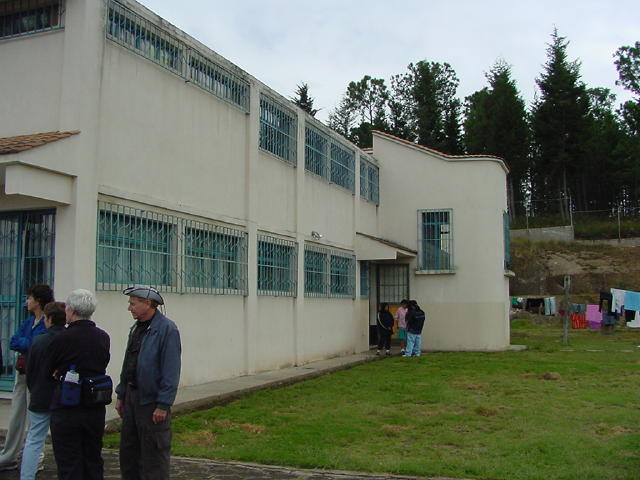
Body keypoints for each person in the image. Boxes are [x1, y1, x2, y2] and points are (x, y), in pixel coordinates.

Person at [116, 285, 181, 480]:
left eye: (133, 304)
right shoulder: (136, 328)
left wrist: (163, 404)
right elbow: (129, 363)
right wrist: (121, 394)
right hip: (131, 397)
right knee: (129, 453)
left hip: (151, 402)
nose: (129, 308)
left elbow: (171, 370)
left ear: (148, 303)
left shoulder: (167, 330)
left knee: (154, 455)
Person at [47, 289, 110, 480]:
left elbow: (49, 367)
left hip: (68, 406)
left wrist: (58, 371)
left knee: (69, 461)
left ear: (72, 310)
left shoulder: (61, 338)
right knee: (93, 458)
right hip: (94, 406)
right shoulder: (103, 336)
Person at [0, 284, 53, 471]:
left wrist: (26, 344)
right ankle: (9, 454)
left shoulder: (47, 323)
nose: (26, 301)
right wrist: (27, 343)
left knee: (34, 416)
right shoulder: (29, 322)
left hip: (36, 373)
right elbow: (14, 341)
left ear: (38, 301)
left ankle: (35, 457)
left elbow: (37, 345)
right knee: (16, 414)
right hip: (22, 372)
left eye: (29, 298)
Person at [20, 301, 66, 480]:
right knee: (64, 442)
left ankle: (27, 476)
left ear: (50, 319)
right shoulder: (69, 340)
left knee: (34, 439)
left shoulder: (38, 341)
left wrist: (34, 388)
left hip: (40, 394)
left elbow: (30, 370)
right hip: (64, 397)